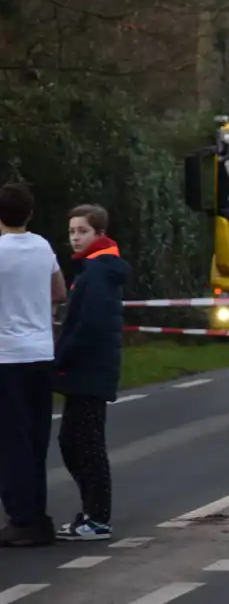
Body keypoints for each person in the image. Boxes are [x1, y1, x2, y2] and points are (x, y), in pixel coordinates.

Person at [53, 203, 129, 541]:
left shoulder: (97, 272)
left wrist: (61, 359)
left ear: (99, 233)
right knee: (73, 442)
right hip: (86, 370)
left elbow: (88, 325)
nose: (75, 238)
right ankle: (91, 513)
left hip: (89, 370)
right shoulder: (92, 269)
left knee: (86, 445)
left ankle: (98, 518)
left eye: (82, 231)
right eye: (71, 232)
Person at [0, 182, 67, 547]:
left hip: (6, 355)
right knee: (37, 439)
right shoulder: (43, 246)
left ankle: (21, 519)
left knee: (12, 443)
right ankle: (38, 516)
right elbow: (59, 291)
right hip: (41, 353)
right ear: (30, 214)